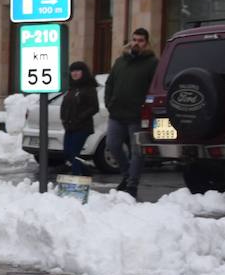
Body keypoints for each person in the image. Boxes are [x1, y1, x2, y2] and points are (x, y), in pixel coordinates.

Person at [104, 28, 158, 198]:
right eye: (134, 39)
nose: (136, 43)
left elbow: (154, 88)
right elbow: (109, 83)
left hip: (137, 116)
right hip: (117, 113)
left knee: (137, 151)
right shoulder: (120, 61)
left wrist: (146, 108)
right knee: (112, 145)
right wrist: (109, 103)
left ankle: (132, 184)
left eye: (140, 40)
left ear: (146, 43)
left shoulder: (152, 63)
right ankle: (127, 174)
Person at [59, 61, 99, 176]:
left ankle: (76, 180)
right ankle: (86, 172)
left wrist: (80, 117)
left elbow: (94, 107)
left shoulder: (89, 88)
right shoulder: (72, 88)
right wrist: (64, 119)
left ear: (83, 72)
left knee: (74, 154)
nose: (74, 73)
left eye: (77, 71)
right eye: (72, 71)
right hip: (70, 126)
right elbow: (65, 105)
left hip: (82, 127)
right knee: (67, 153)